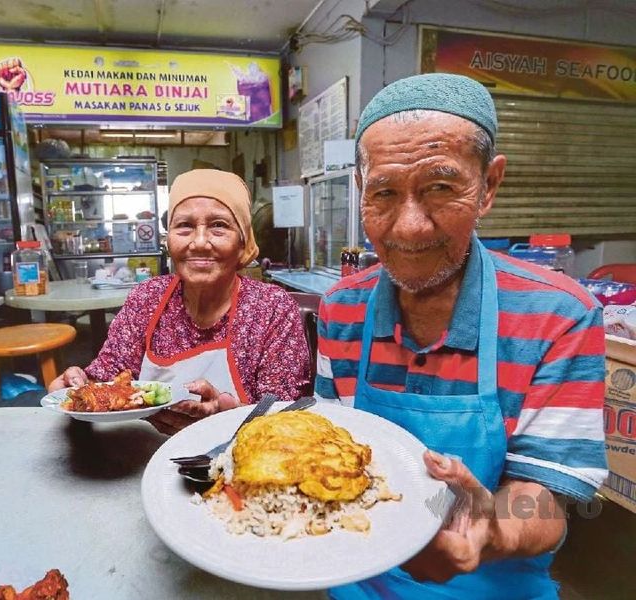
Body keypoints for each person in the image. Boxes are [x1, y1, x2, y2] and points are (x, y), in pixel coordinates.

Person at [315, 74, 607, 599]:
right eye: (383, 192)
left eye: (440, 188)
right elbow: (332, 449)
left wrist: (490, 528)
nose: (409, 226)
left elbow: (549, 497)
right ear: (361, 191)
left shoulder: (559, 315)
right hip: (355, 583)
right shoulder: (340, 310)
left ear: (489, 185)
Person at [50, 169, 310, 434]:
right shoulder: (147, 298)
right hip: (140, 456)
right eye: (184, 226)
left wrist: (228, 414)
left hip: (234, 462)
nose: (199, 242)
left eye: (219, 226)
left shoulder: (272, 309)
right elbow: (108, 375)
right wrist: (77, 386)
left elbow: (284, 416)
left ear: (243, 243)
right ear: (168, 240)